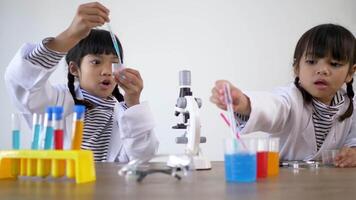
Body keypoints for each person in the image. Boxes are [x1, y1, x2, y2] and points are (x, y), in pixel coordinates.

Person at [4, 2, 158, 162]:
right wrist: (69, 35)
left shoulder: (123, 114)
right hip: (62, 186)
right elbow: (21, 80)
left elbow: (142, 157)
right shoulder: (56, 101)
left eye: (113, 63)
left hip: (109, 187)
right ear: (74, 69)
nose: (107, 71)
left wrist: (133, 103)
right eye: (96, 62)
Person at [210, 24, 356, 167]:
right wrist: (244, 103)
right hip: (281, 183)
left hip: (327, 186)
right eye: (311, 61)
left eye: (335, 64)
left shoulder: (350, 107)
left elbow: (353, 141)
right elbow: (273, 107)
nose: (322, 70)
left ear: (350, 73)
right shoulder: (289, 98)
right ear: (297, 68)